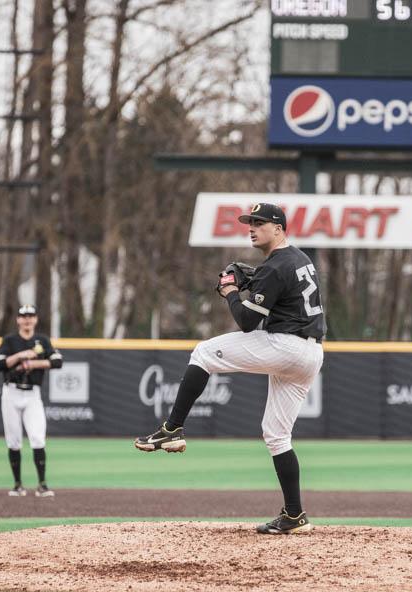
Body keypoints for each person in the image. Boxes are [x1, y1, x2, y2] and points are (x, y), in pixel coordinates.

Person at [134, 203, 325, 534]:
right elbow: (280, 294)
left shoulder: (276, 266)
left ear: (279, 229)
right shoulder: (299, 258)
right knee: (277, 435)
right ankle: (294, 515)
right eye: (249, 223)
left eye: (260, 223)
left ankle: (172, 427)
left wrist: (232, 291)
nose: (252, 227)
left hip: (287, 347)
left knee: (204, 352)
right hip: (312, 354)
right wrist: (253, 285)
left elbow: (248, 322)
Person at [0, 304, 63, 497]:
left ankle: (42, 485)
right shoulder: (10, 340)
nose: (27, 319)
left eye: (31, 315)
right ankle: (17, 485)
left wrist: (33, 362)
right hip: (11, 392)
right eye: (23, 316)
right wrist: (21, 356)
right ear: (18, 319)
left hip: (33, 394)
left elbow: (58, 361)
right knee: (14, 440)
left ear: (35, 319)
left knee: (37, 437)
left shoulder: (41, 340)